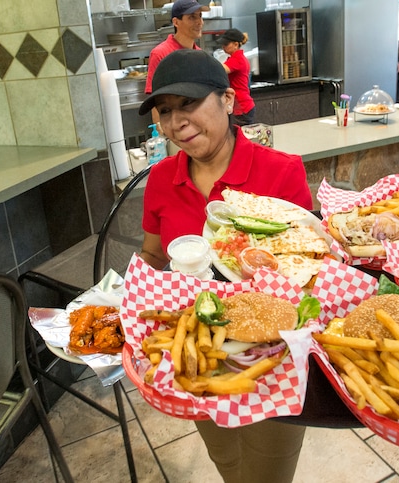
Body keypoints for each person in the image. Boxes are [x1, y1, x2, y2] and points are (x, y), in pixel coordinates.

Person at [138, 49, 310, 483]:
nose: (176, 121)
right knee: (228, 464)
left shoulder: (282, 173)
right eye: (165, 110)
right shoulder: (161, 179)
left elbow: (311, 268)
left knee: (267, 472)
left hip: (272, 361)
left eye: (189, 103)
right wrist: (119, 297)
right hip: (197, 357)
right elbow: (154, 255)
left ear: (229, 101)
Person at [144, 0, 209, 122]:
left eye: (200, 16)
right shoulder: (161, 53)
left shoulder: (200, 55)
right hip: (174, 123)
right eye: (192, 17)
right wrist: (161, 134)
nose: (199, 22)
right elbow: (155, 98)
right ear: (176, 22)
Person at [218, 28, 256, 126]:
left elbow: (219, 69)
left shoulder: (238, 59)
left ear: (236, 44)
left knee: (239, 137)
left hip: (241, 106)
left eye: (226, 44)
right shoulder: (234, 58)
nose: (223, 46)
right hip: (240, 105)